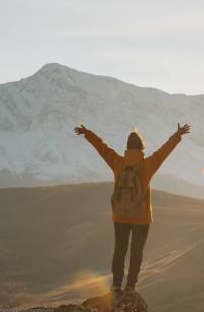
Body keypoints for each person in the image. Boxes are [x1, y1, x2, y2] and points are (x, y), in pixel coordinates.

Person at [74, 123, 191, 296]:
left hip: (120, 216)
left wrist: (88, 133)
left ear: (127, 147)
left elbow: (102, 148)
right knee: (137, 252)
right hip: (141, 218)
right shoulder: (147, 165)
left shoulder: (118, 163)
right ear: (142, 147)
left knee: (119, 249)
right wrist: (177, 135)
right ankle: (130, 286)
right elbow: (164, 152)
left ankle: (115, 286)